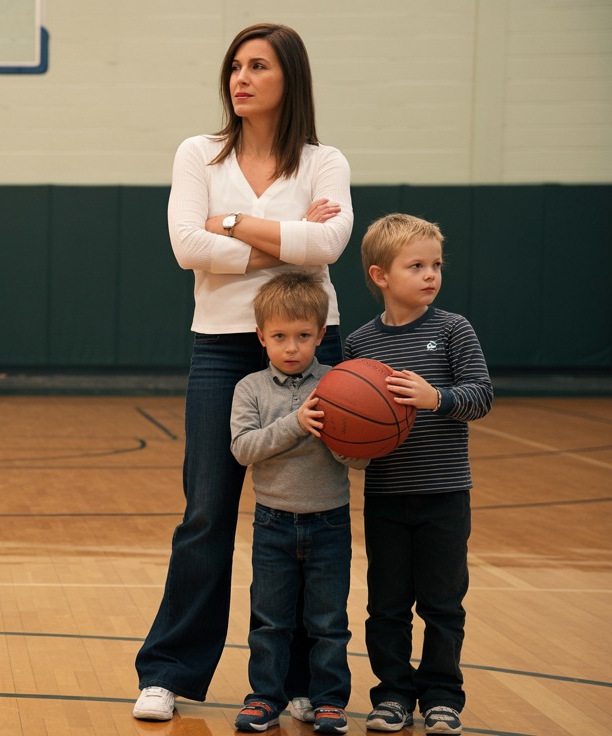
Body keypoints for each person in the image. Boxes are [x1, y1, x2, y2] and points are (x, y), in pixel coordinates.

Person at [133, 23, 354, 722]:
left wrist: (231, 226)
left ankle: (297, 681)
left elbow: (329, 245)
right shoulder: (198, 152)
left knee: (304, 509)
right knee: (206, 512)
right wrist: (284, 245)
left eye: (258, 65)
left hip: (316, 348)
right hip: (224, 346)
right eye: (234, 65)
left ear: (290, 77)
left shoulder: (324, 161)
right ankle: (169, 671)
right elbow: (183, 245)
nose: (241, 77)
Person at [343, 214, 492, 735]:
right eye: (416, 266)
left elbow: (482, 395)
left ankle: (442, 696)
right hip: (386, 495)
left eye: (436, 265)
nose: (431, 275)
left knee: (443, 602)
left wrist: (437, 399)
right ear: (381, 275)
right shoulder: (360, 344)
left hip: (445, 494)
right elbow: (348, 418)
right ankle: (391, 695)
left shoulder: (453, 330)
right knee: (386, 605)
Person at [228, 272, 367, 734]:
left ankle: (329, 699)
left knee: (329, 622)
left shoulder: (340, 383)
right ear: (261, 337)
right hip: (272, 524)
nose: (292, 347)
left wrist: (342, 433)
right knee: (269, 621)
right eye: (280, 337)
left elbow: (358, 460)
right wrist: (296, 423)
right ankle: (265, 697)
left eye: (304, 336)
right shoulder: (250, 388)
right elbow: (243, 449)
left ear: (321, 336)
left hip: (330, 522)